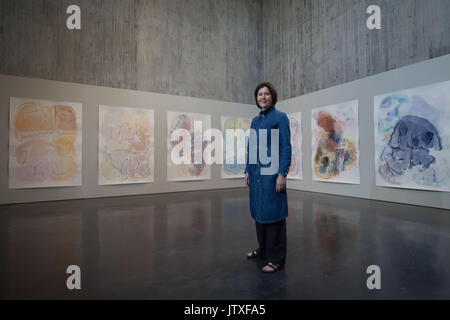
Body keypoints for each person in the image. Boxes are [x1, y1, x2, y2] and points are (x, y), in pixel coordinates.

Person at [244, 82, 292, 273]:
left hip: (272, 175)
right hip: (257, 175)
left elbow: (286, 147)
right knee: (259, 214)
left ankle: (277, 258)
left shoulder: (280, 118)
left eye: (266, 94)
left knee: (274, 216)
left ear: (272, 96)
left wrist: (282, 173)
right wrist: (248, 170)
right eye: (260, 94)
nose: (263, 97)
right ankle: (264, 250)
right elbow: (252, 148)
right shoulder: (255, 121)